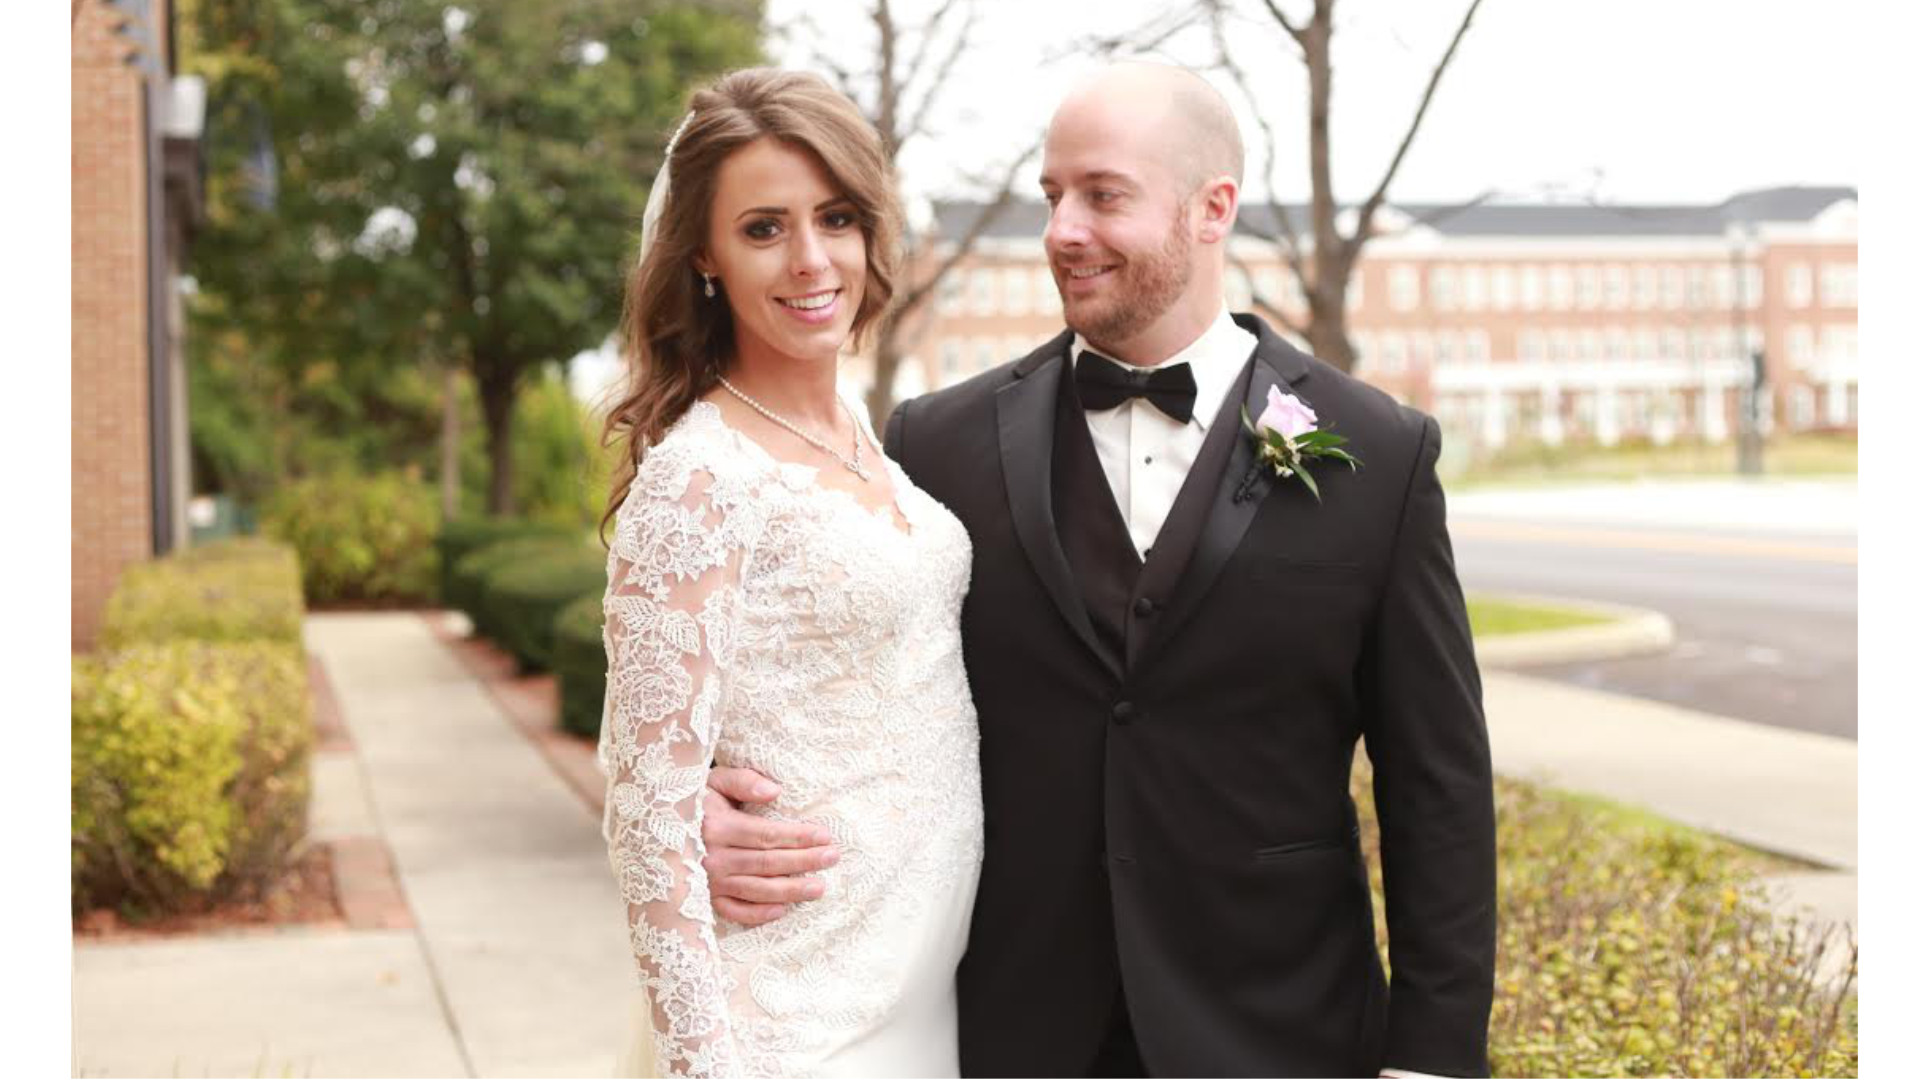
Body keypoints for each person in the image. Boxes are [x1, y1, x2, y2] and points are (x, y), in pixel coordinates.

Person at [699, 61, 1497, 1078]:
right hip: (1012, 1030)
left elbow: (1438, 787)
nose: (1062, 232)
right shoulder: (934, 445)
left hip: (1282, 1030)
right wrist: (695, 806)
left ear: (1213, 210)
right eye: (1053, 196)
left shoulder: (1379, 453)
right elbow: (818, 675)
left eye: (1103, 196)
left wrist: (1432, 1060)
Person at [595, 67, 983, 1078]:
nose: (811, 259)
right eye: (764, 228)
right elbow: (647, 812)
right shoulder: (699, 477)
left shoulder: (859, 434)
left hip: (921, 985)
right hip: (795, 1013)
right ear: (705, 256)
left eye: (836, 218)